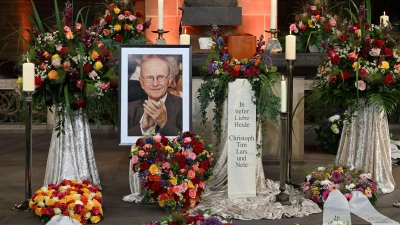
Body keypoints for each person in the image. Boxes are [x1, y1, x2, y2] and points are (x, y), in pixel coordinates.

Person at [128, 57, 182, 136]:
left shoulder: (183, 106)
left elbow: (187, 142)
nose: (155, 84)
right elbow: (122, 141)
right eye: (150, 78)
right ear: (142, 82)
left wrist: (163, 123)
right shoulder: (129, 109)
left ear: (169, 80)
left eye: (160, 77)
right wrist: (142, 127)